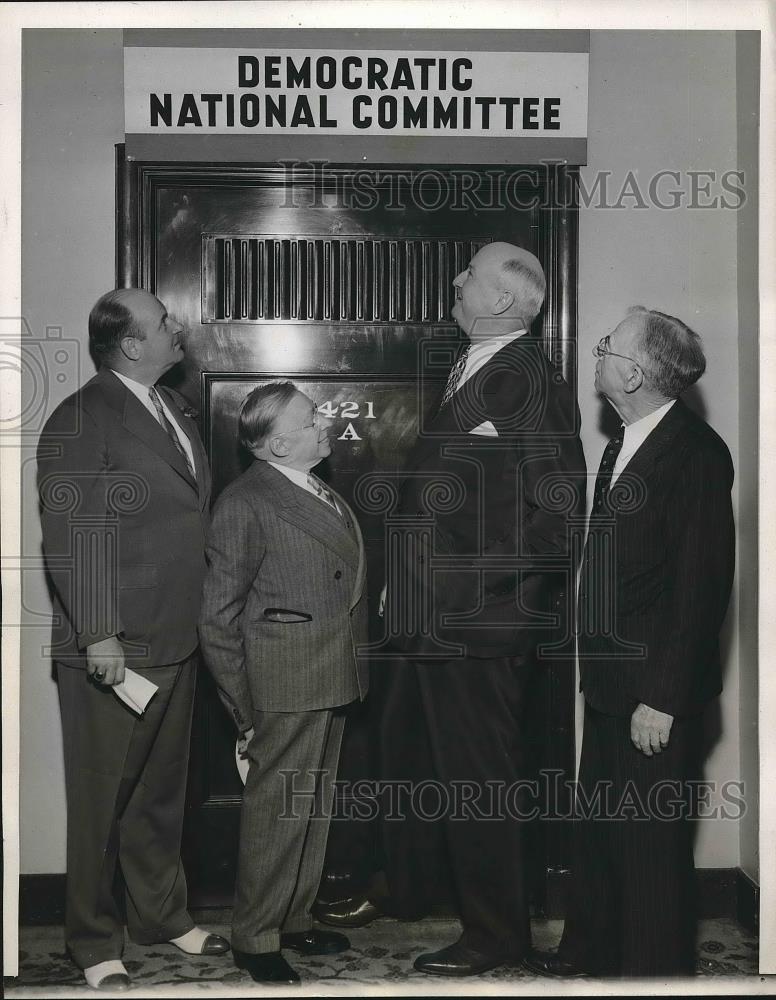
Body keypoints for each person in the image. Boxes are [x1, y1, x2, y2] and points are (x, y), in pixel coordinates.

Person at [319, 242, 585, 976]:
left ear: (503, 301)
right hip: (432, 623)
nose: (456, 278)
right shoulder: (477, 366)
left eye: (469, 272)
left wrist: (462, 590)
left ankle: (496, 937)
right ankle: (447, 907)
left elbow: (558, 520)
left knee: (481, 783)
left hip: (479, 627)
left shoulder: (530, 378)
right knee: (444, 776)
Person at [524, 307, 735, 978]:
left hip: (652, 694)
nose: (597, 356)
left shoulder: (696, 453)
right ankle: (594, 954)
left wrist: (663, 698)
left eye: (606, 347)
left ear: (635, 372)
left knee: (647, 848)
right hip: (614, 682)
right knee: (604, 836)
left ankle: (654, 978)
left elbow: (700, 592)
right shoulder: (625, 442)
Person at [36, 289, 228, 993]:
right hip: (114, 645)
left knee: (159, 795)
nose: (177, 328)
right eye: (163, 323)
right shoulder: (81, 417)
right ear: (129, 344)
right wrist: (98, 634)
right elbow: (72, 533)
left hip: (177, 636)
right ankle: (92, 941)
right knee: (102, 803)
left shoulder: (170, 409)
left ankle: (161, 917)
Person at [199, 382, 369, 985]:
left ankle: (292, 919)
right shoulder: (247, 502)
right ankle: (256, 936)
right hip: (284, 683)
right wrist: (244, 708)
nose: (325, 424)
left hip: (327, 674)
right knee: (277, 813)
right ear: (276, 444)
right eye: (310, 419)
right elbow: (218, 621)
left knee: (311, 808)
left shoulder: (312, 487)